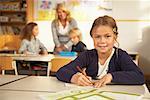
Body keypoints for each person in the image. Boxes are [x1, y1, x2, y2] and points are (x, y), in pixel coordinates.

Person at [56, 15, 145, 88]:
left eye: (107, 36)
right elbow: (61, 71)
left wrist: (111, 77)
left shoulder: (120, 56)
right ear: (92, 38)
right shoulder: (87, 55)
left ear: (115, 37)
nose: (102, 41)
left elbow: (139, 77)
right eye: (97, 37)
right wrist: (74, 77)